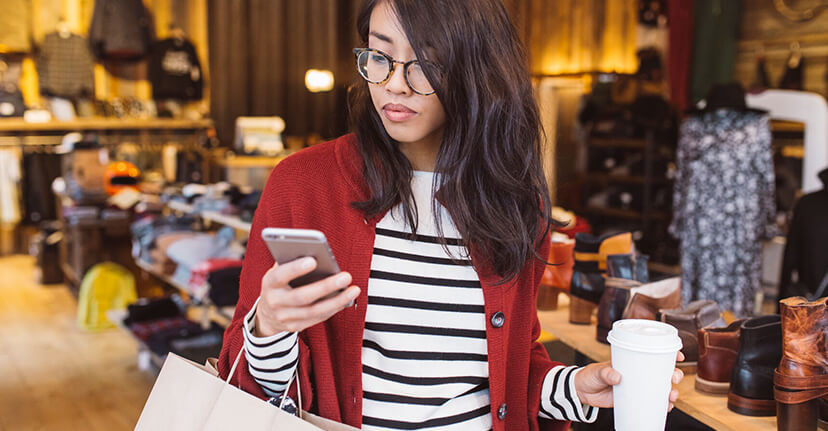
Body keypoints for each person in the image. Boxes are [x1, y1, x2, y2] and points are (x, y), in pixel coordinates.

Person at [217, 0, 683, 429]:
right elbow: (252, 383)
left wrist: (575, 389)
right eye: (379, 57)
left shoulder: (514, 201)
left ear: (477, 70)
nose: (394, 83)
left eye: (426, 63)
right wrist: (269, 329)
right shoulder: (304, 184)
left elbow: (509, 367)